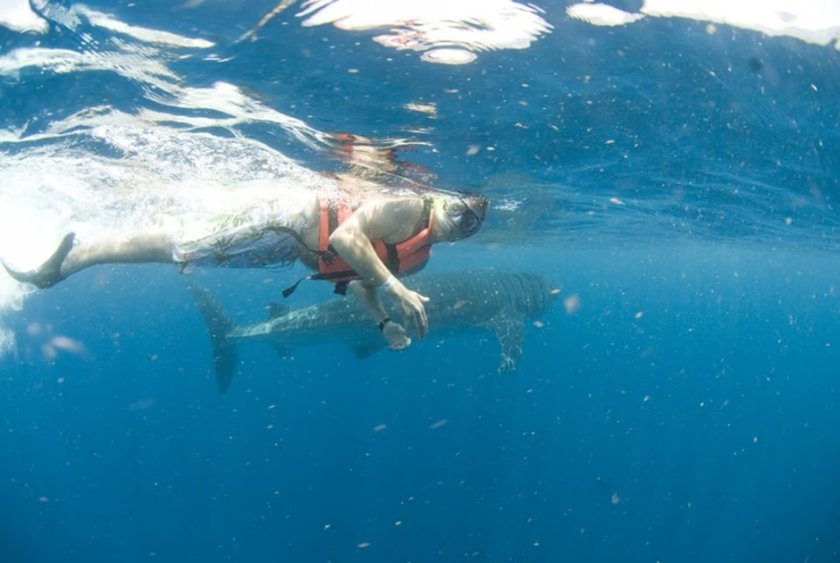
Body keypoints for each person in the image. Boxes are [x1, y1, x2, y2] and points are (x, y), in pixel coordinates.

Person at [3, 177, 488, 351]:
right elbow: (345, 235)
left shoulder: (419, 260)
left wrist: (383, 322)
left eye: (472, 224)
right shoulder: (407, 207)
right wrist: (398, 291)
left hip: (287, 248)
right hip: (290, 218)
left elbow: (364, 284)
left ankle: (77, 254)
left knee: (189, 247)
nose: (461, 222)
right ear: (438, 200)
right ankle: (70, 261)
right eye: (457, 210)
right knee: (183, 242)